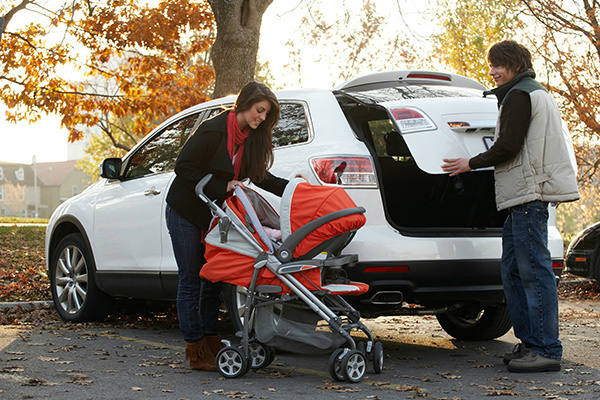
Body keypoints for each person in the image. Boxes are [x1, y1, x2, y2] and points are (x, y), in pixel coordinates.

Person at [441, 40, 579, 373]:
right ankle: (531, 343)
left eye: (497, 64)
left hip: (527, 196)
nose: (492, 72)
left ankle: (546, 349)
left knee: (532, 274)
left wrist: (469, 163)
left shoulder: (520, 95)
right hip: (524, 198)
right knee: (515, 272)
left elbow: (508, 146)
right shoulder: (537, 93)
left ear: (514, 64)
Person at [165, 81, 289, 371]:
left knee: (213, 279)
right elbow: (183, 167)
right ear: (245, 104)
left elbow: (261, 177)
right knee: (191, 280)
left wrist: (295, 188)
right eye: (259, 111)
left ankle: (211, 342)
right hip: (185, 210)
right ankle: (196, 350)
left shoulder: (250, 139)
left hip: (213, 216)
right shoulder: (214, 129)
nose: (261, 118)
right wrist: (223, 184)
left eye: (265, 115)